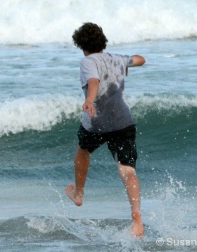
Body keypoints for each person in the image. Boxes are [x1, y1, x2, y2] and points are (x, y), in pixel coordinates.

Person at [65, 22, 145, 238]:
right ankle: (136, 217)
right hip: (123, 121)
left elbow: (93, 80)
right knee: (127, 169)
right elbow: (140, 59)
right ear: (103, 41)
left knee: (83, 151)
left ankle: (79, 194)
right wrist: (128, 64)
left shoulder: (88, 61)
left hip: (97, 121)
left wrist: (90, 100)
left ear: (81, 45)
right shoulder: (117, 58)